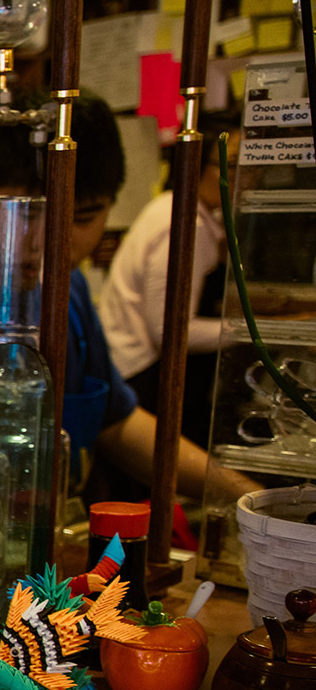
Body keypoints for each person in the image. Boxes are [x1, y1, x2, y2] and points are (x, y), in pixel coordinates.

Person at [0, 95, 256, 504]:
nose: (49, 244)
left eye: (81, 219)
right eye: (26, 215)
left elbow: (115, 423)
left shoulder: (68, 289)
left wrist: (244, 497)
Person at [96, 112, 234, 445]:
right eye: (233, 165)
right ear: (199, 166)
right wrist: (249, 334)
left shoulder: (181, 210)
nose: (248, 176)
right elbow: (170, 332)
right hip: (140, 377)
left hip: (136, 371)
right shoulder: (185, 223)